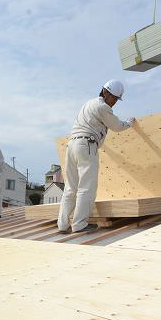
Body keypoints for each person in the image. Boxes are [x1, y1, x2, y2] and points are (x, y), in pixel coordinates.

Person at [57, 79, 135, 233]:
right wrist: (129, 123)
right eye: (114, 98)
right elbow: (117, 126)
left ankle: (62, 224)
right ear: (105, 92)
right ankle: (79, 224)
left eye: (116, 99)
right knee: (87, 187)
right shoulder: (103, 107)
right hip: (86, 145)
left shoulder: (89, 103)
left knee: (70, 188)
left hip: (72, 145)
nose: (114, 102)